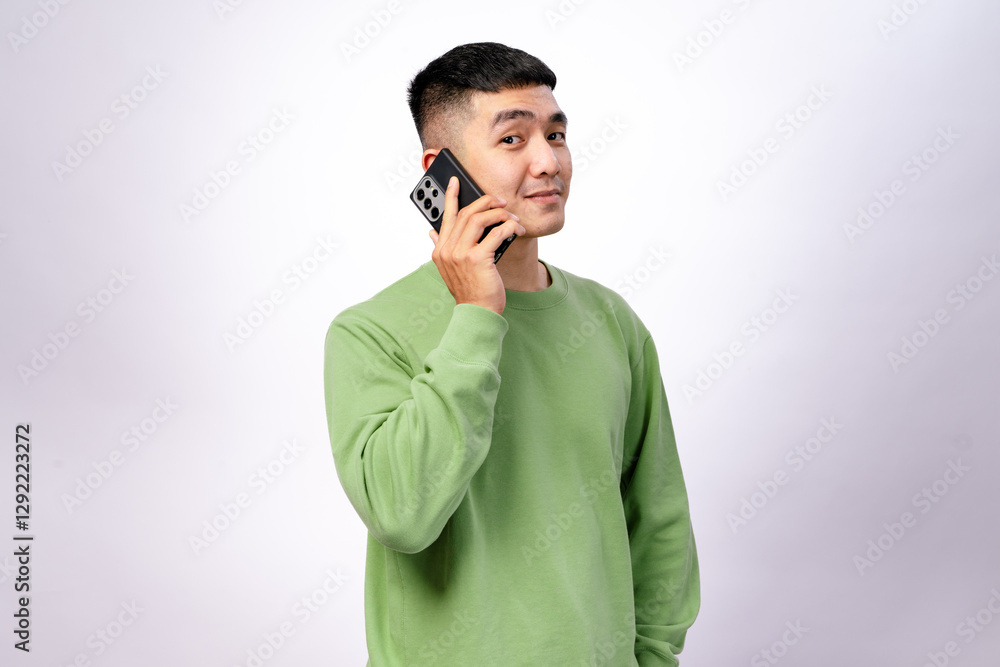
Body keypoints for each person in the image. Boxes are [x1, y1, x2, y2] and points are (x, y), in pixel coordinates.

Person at [323, 41, 699, 666]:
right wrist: (474, 314)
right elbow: (402, 514)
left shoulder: (612, 324)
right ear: (441, 168)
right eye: (513, 140)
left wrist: (653, 658)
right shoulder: (369, 333)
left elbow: (658, 521)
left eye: (556, 134)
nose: (548, 161)